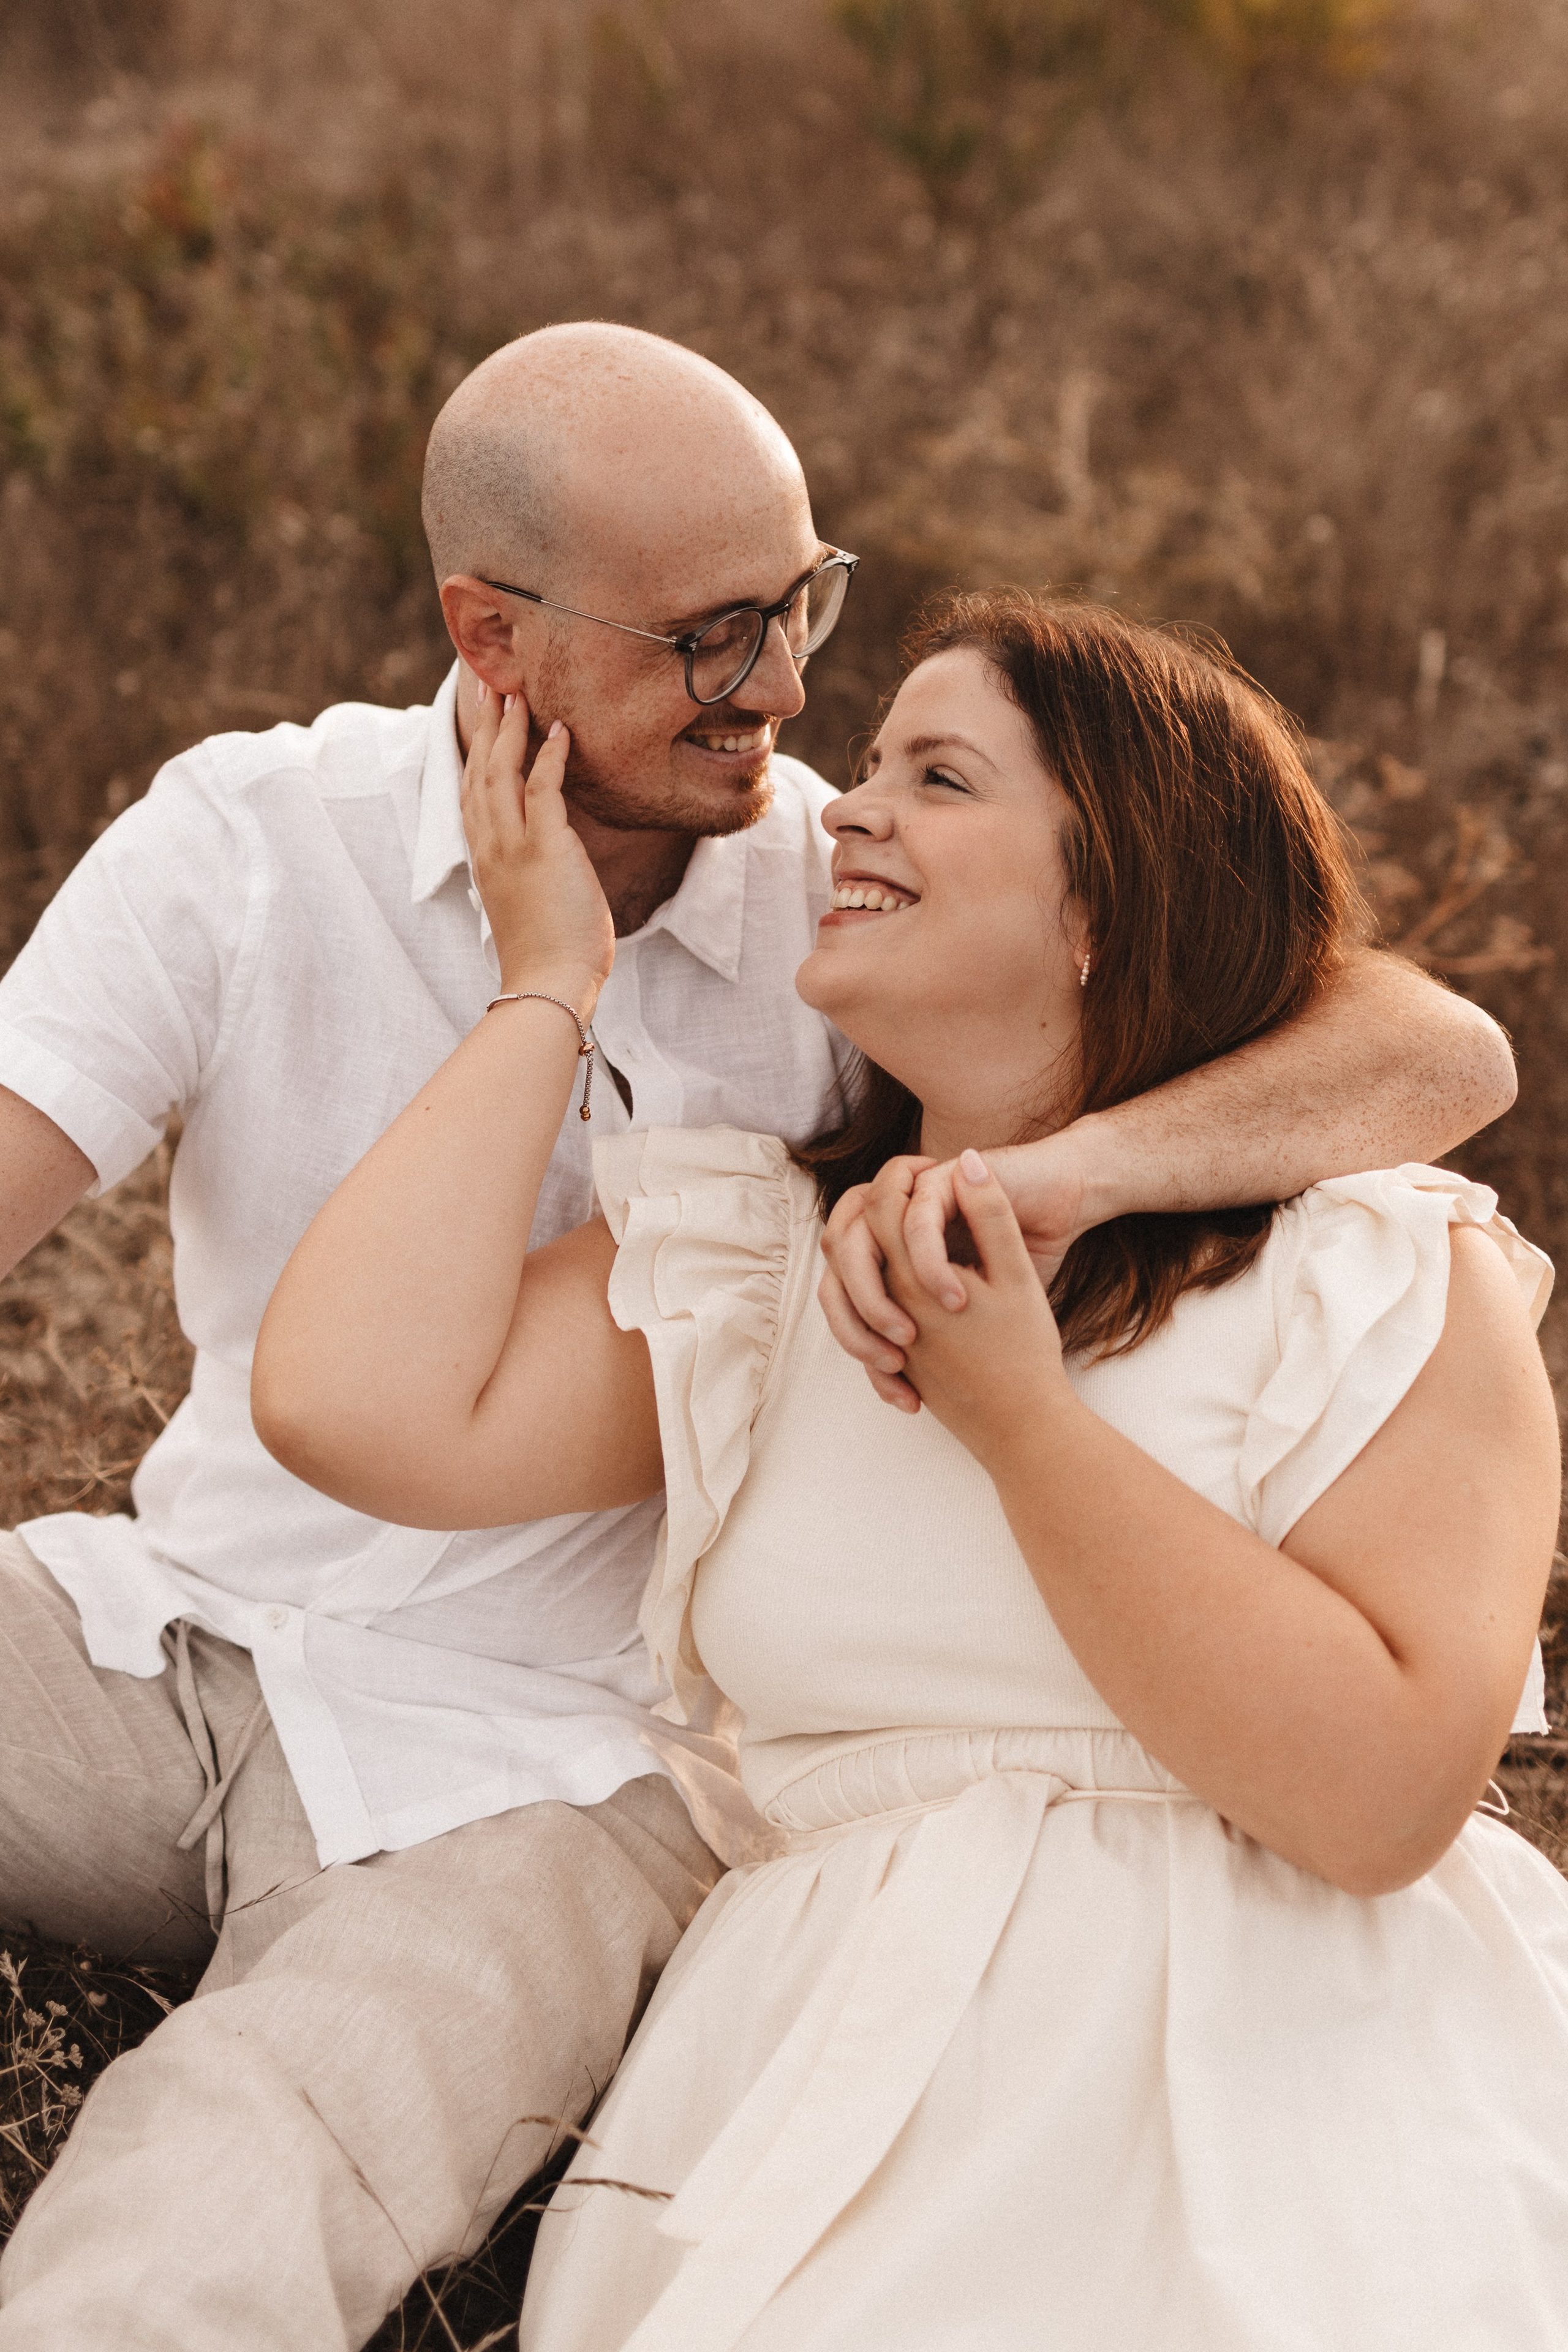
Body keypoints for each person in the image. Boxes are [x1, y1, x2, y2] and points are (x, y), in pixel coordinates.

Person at [0, 317, 1518, 2351]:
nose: (793, 703)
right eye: (716, 636)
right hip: (173, 1628)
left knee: (245, 2138)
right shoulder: (266, 842)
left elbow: (1426, 1039)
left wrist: (1074, 1179)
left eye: (804, 605)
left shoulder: (838, 901)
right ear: (496, 635)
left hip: (553, 1752)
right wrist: (556, 977)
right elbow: (329, 1393)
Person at [254, 592, 1568, 2352]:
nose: (847, 807)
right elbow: (350, 1403)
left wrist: (1022, 1418)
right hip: (816, 2118)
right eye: (865, 767)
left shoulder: (1374, 1271)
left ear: (1107, 901)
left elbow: (1383, 1798)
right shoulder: (755, 1268)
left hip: (1280, 2111)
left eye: (936, 777)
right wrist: (550, 979)